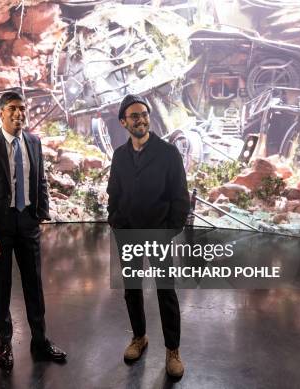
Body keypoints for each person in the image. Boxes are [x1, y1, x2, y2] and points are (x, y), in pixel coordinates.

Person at [0, 91, 67, 371]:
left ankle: (40, 340)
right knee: (1, 288)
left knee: (34, 285)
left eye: (22, 109)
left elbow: (41, 180)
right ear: (1, 112)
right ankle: (5, 342)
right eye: (12, 108)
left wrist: (41, 215)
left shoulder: (34, 142)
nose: (19, 114)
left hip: (28, 224)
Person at [107, 94, 190, 378]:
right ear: (123, 122)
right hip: (127, 234)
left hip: (159, 235)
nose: (141, 119)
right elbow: (113, 193)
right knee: (132, 291)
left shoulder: (168, 153)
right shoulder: (119, 155)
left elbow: (180, 198)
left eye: (144, 114)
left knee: (166, 293)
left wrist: (169, 230)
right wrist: (115, 220)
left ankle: (173, 350)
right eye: (134, 116)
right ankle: (139, 338)